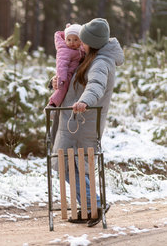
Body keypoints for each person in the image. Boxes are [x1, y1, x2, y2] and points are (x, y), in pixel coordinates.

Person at [51, 18, 124, 227]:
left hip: (82, 124)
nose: (79, 44)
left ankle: (95, 205)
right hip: (74, 122)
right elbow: (72, 79)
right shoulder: (90, 57)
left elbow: (96, 85)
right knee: (68, 166)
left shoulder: (101, 62)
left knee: (71, 166)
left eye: (83, 41)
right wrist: (54, 82)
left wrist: (85, 100)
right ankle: (90, 207)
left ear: (93, 42)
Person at [48, 23, 85, 107]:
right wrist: (62, 78)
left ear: (81, 40)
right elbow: (61, 65)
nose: (72, 42)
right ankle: (52, 104)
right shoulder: (65, 50)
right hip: (66, 75)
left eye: (75, 40)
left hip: (73, 75)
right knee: (62, 88)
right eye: (69, 40)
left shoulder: (80, 50)